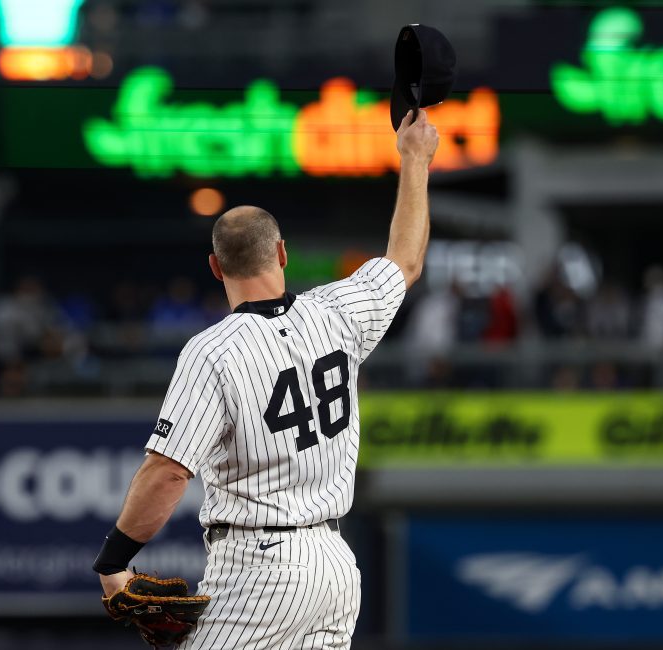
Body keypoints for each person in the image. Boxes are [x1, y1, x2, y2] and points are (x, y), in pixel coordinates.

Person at [92, 108, 439, 649]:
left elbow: (167, 472)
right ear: (281, 253)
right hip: (335, 565)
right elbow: (406, 260)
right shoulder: (339, 310)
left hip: (260, 567)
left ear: (215, 267)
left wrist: (114, 560)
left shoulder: (213, 352)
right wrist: (415, 159)